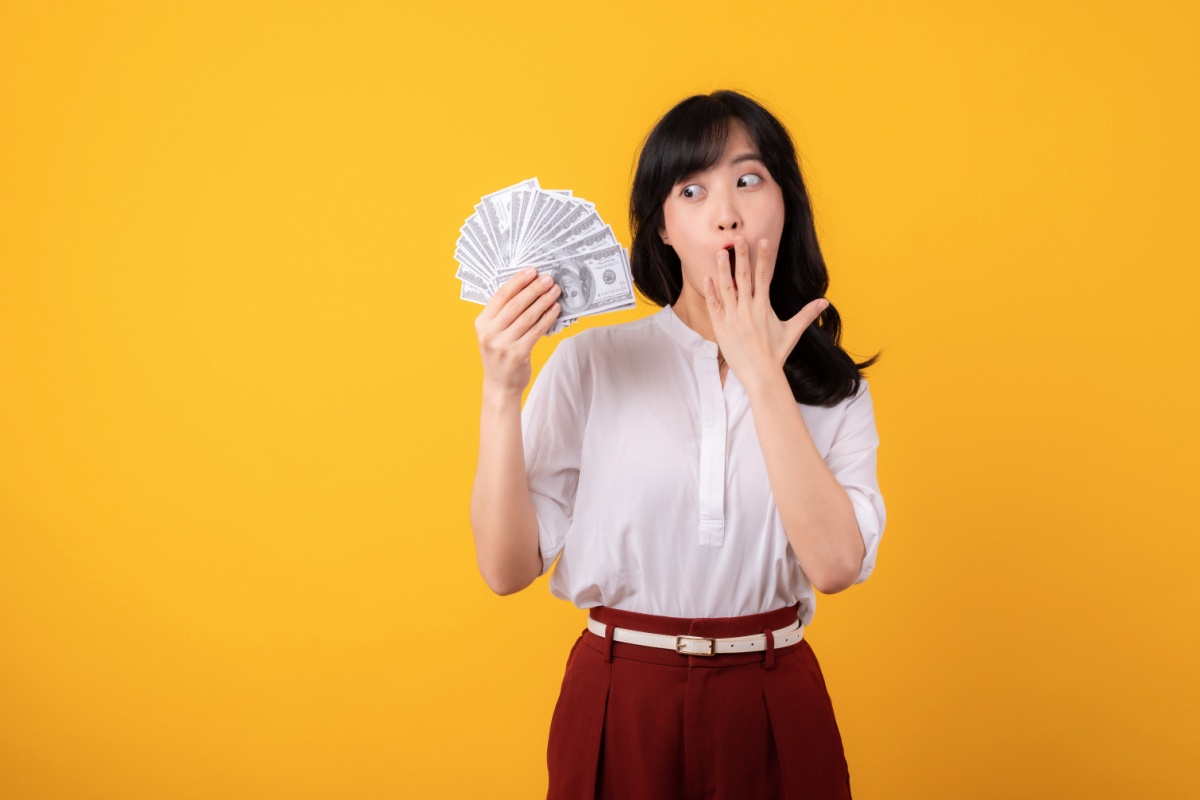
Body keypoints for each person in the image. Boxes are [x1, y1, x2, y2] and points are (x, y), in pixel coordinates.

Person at [470, 90, 885, 800]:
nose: (726, 210)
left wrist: (762, 377)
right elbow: (507, 570)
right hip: (619, 699)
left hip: (771, 697)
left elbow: (837, 565)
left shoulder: (830, 386)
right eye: (692, 189)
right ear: (662, 226)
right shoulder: (592, 364)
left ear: (786, 205)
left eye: (748, 180)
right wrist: (501, 393)